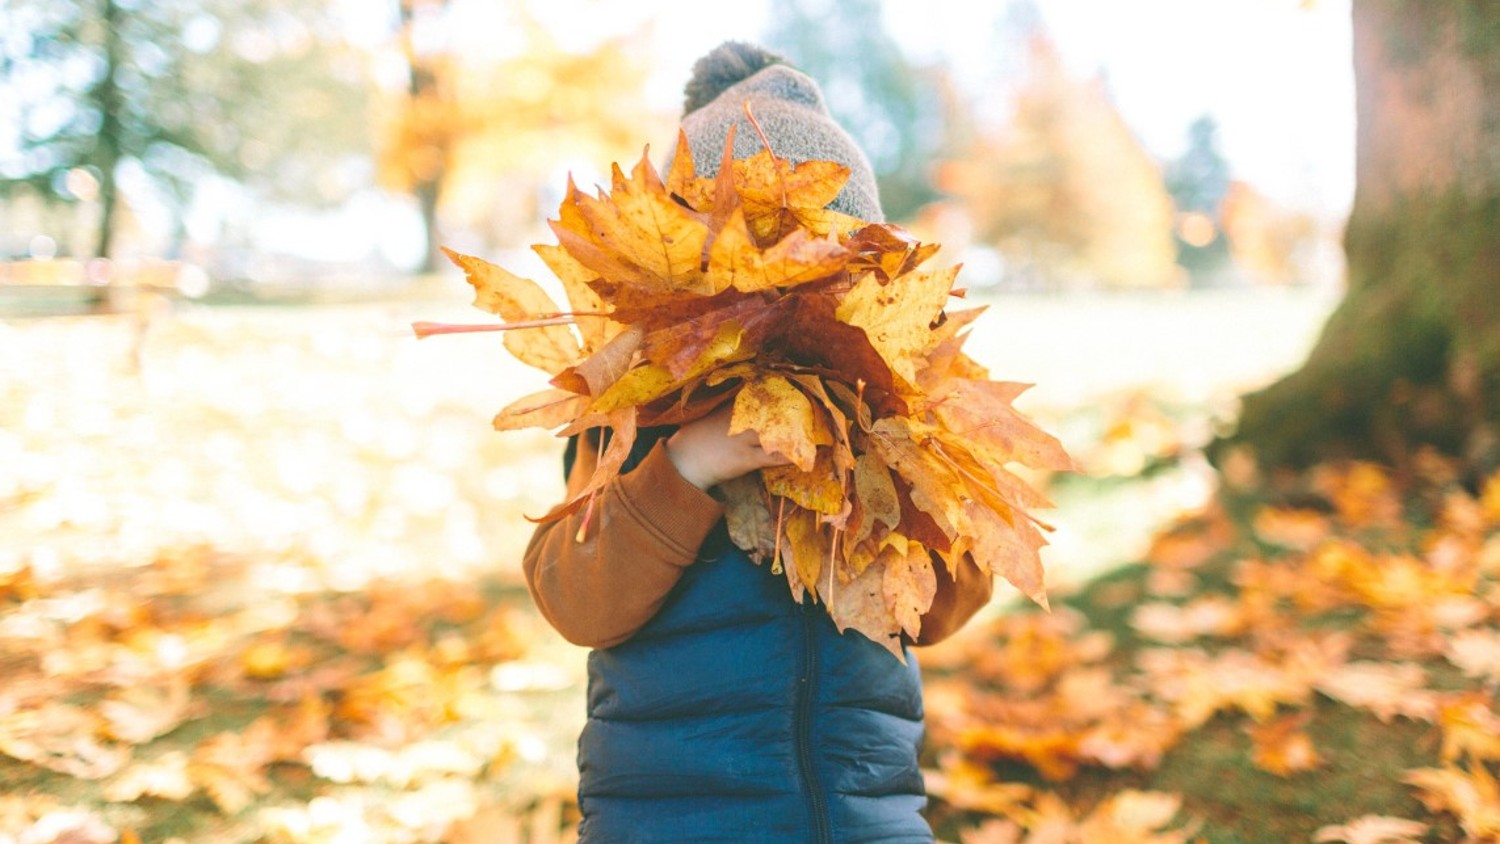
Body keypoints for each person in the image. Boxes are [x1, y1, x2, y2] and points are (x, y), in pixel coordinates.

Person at [522, 41, 994, 844]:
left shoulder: (889, 408)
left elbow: (949, 606)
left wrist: (896, 475)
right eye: (754, 259)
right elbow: (574, 598)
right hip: (671, 816)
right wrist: (690, 465)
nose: (784, 295)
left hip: (863, 813)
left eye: (823, 265)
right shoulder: (636, 407)